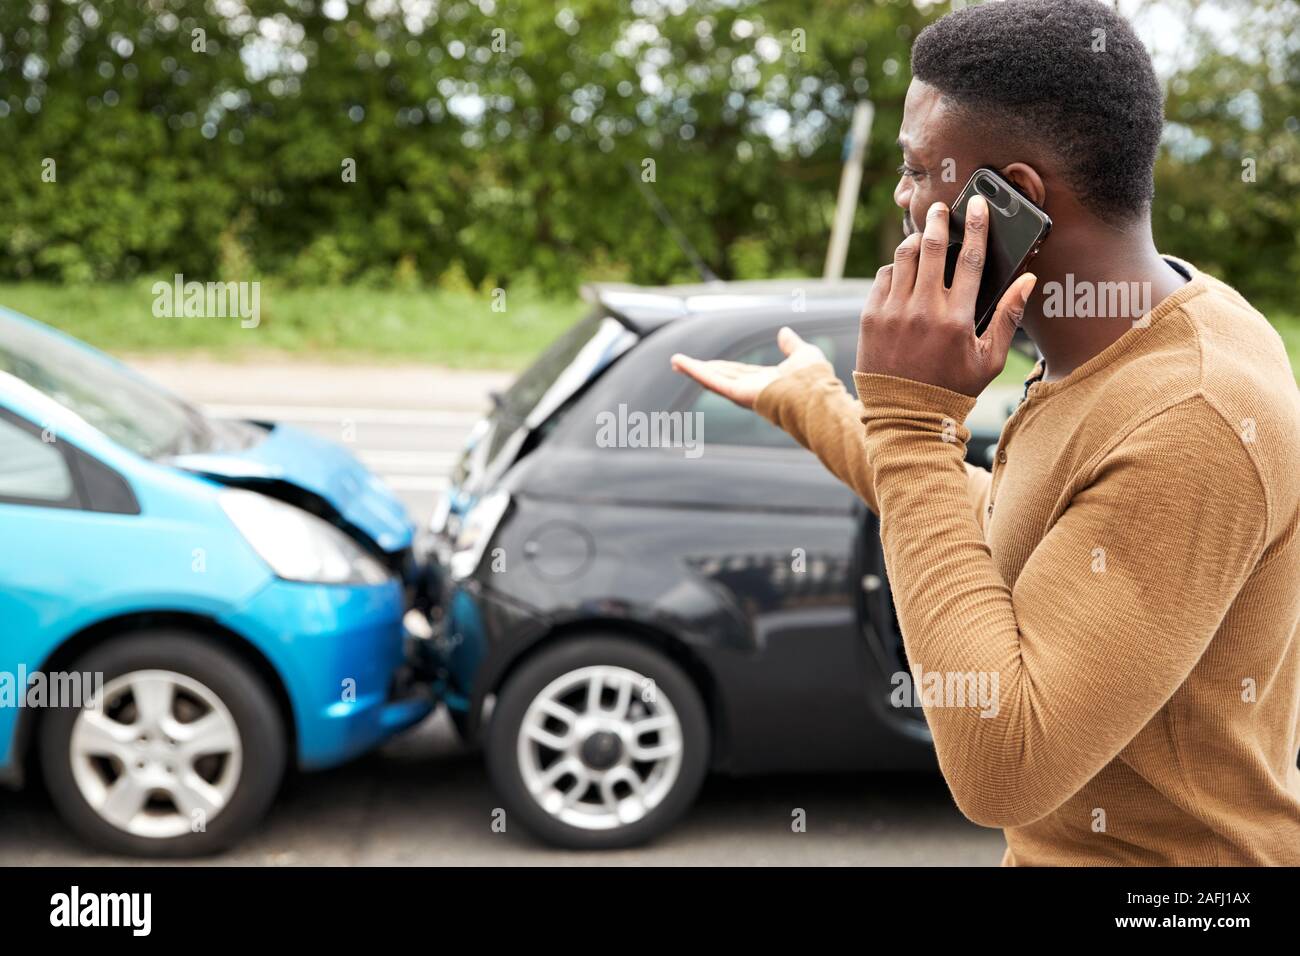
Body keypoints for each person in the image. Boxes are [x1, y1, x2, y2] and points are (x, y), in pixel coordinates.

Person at [672, 0, 1300, 865]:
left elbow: (1003, 768)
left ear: (1012, 199)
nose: (902, 196)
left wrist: (910, 419)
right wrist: (818, 405)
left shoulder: (1192, 415)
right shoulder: (1137, 334)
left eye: (921, 169)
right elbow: (1026, 522)